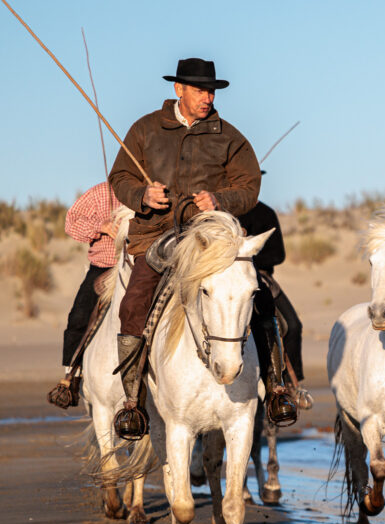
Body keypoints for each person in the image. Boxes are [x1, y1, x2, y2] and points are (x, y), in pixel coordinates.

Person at [107, 57, 275, 439]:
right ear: (178, 89)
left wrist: (219, 200)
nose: (207, 97)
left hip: (211, 238)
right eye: (200, 89)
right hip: (156, 235)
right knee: (134, 305)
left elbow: (249, 188)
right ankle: (132, 401)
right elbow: (120, 177)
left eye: (211, 90)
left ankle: (278, 386)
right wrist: (143, 195)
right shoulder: (145, 129)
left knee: (261, 297)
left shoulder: (231, 137)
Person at [46, 182, 123, 408]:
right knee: (79, 317)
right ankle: (71, 378)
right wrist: (102, 226)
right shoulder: (101, 192)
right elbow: (71, 223)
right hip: (104, 267)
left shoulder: (151, 190)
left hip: (140, 267)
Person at [238, 198, 313, 410]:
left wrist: (251, 252)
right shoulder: (219, 210)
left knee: (293, 325)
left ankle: (290, 384)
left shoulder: (265, 213)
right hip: (227, 274)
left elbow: (278, 254)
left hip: (260, 276)